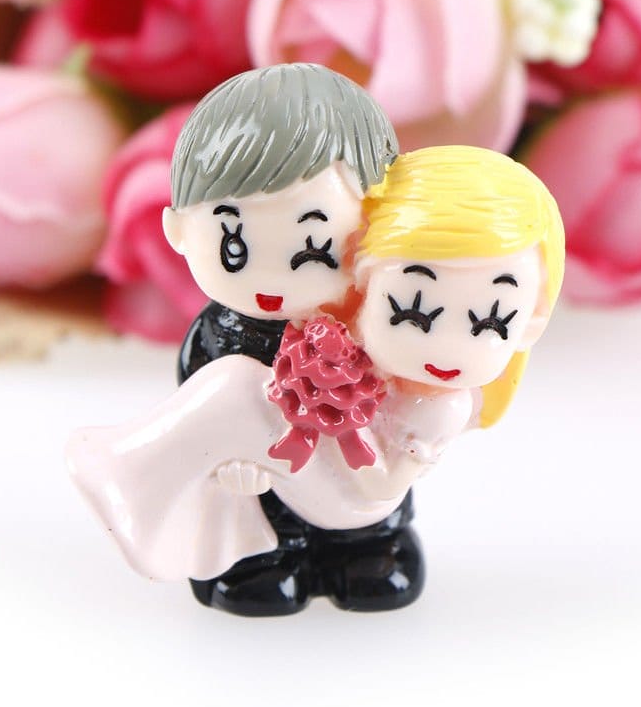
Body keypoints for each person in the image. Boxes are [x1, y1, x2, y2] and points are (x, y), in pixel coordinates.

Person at [67, 143, 565, 616]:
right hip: (279, 489)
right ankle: (231, 537)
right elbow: (200, 390)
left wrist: (349, 431)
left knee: (244, 395)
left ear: (531, 323)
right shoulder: (304, 337)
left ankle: (128, 473)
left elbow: (377, 487)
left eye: (490, 323)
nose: (445, 349)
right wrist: (240, 462)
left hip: (358, 505)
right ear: (366, 283)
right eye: (410, 313)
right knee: (240, 392)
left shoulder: (440, 404)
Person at [161, 63, 418, 615]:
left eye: (313, 247)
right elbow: (196, 411)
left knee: (368, 530)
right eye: (234, 247)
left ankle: (369, 545)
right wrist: (224, 458)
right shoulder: (219, 335)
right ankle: (264, 557)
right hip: (261, 483)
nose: (273, 279)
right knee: (258, 530)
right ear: (178, 230)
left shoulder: (376, 324)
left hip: (358, 478)